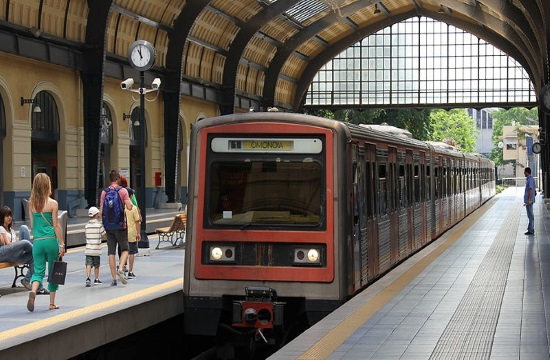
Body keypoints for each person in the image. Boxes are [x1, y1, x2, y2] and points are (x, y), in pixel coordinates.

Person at [26, 173, 65, 312]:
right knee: (53, 271)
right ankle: (51, 303)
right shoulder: (53, 203)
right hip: (50, 241)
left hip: (37, 242)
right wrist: (61, 243)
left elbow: (32, 225)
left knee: (38, 272)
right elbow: (56, 225)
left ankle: (33, 291)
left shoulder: (31, 203)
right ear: (47, 185)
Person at [99, 169, 133, 286]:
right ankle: (121, 267)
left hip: (109, 226)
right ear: (118, 179)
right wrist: (129, 203)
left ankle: (114, 279)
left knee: (111, 252)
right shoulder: (122, 191)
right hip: (120, 225)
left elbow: (102, 210)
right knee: (125, 249)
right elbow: (129, 207)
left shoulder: (104, 192)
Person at [84, 206, 106, 287]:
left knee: (88, 264)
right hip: (96, 250)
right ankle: (96, 279)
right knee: (97, 265)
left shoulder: (86, 226)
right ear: (96, 215)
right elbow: (104, 234)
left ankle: (88, 278)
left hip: (88, 249)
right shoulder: (99, 226)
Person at [124, 192, 141, 278]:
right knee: (131, 252)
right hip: (132, 232)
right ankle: (130, 271)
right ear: (130, 196)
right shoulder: (133, 208)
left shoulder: (122, 207)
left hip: (123, 232)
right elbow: (137, 221)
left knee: (124, 251)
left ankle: (122, 268)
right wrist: (138, 233)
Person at [524, 167, 536, 235]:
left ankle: (531, 229)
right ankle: (530, 228)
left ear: (527, 172)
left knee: (530, 215)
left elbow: (531, 189)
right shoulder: (530, 179)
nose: (524, 173)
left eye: (524, 172)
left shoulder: (530, 179)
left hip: (529, 200)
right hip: (529, 200)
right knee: (530, 215)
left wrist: (528, 199)